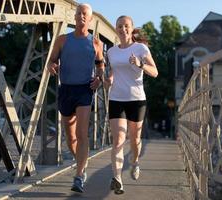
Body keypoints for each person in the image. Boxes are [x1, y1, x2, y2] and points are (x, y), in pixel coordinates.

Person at [47, 3, 104, 193]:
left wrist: (99, 78)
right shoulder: (62, 40)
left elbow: (100, 65)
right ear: (74, 17)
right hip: (66, 90)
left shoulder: (96, 43)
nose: (81, 16)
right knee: (70, 138)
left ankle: (79, 175)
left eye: (84, 14)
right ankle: (82, 161)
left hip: (84, 90)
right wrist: (51, 66)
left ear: (90, 19)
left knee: (81, 134)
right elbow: (52, 60)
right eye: (78, 13)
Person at [105, 15, 158, 194]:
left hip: (136, 100)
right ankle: (117, 178)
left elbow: (155, 72)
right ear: (116, 29)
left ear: (132, 28)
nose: (123, 29)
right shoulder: (111, 52)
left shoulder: (140, 48)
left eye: (126, 26)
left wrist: (140, 63)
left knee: (134, 140)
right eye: (119, 26)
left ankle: (135, 162)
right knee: (118, 140)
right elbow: (114, 70)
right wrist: (109, 79)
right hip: (116, 99)